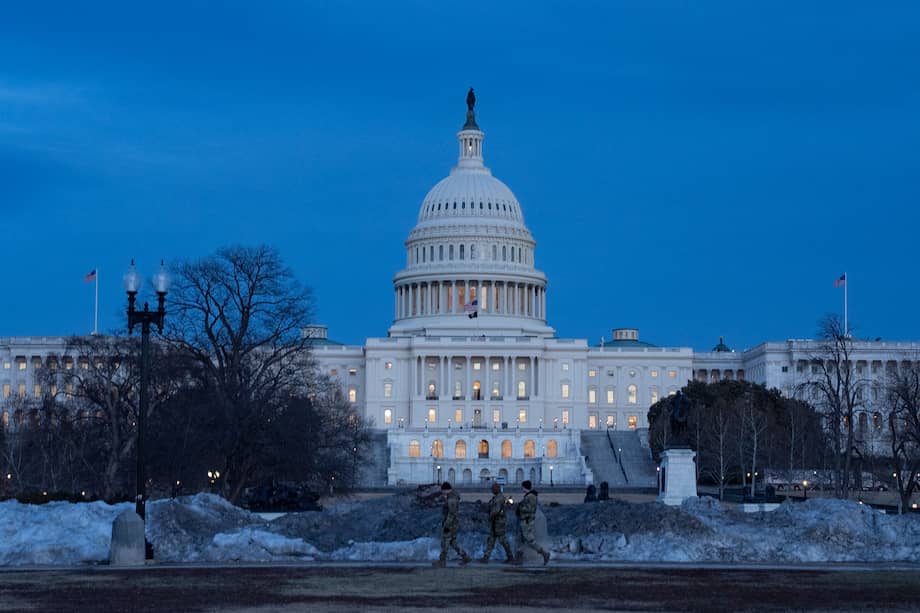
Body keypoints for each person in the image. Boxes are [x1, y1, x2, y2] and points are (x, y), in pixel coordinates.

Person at [434, 482, 471, 567]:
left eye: (443, 491)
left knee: (445, 542)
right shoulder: (452, 497)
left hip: (450, 524)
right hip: (452, 523)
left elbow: (451, 513)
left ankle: (442, 561)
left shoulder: (452, 499)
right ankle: (465, 556)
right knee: (452, 542)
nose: (442, 493)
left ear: (446, 490)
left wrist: (447, 525)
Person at [514, 480, 550, 565]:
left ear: (525, 487)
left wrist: (519, 508)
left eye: (522, 487)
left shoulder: (531, 496)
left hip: (527, 520)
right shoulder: (528, 496)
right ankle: (519, 559)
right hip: (525, 519)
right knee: (521, 539)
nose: (521, 488)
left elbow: (530, 509)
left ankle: (544, 553)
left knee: (528, 539)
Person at [479, 482, 514, 564]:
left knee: (502, 540)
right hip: (496, 521)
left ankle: (510, 556)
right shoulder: (498, 497)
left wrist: (490, 516)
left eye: (493, 489)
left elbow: (496, 510)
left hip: (498, 521)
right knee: (491, 539)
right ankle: (486, 557)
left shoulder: (498, 498)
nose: (492, 490)